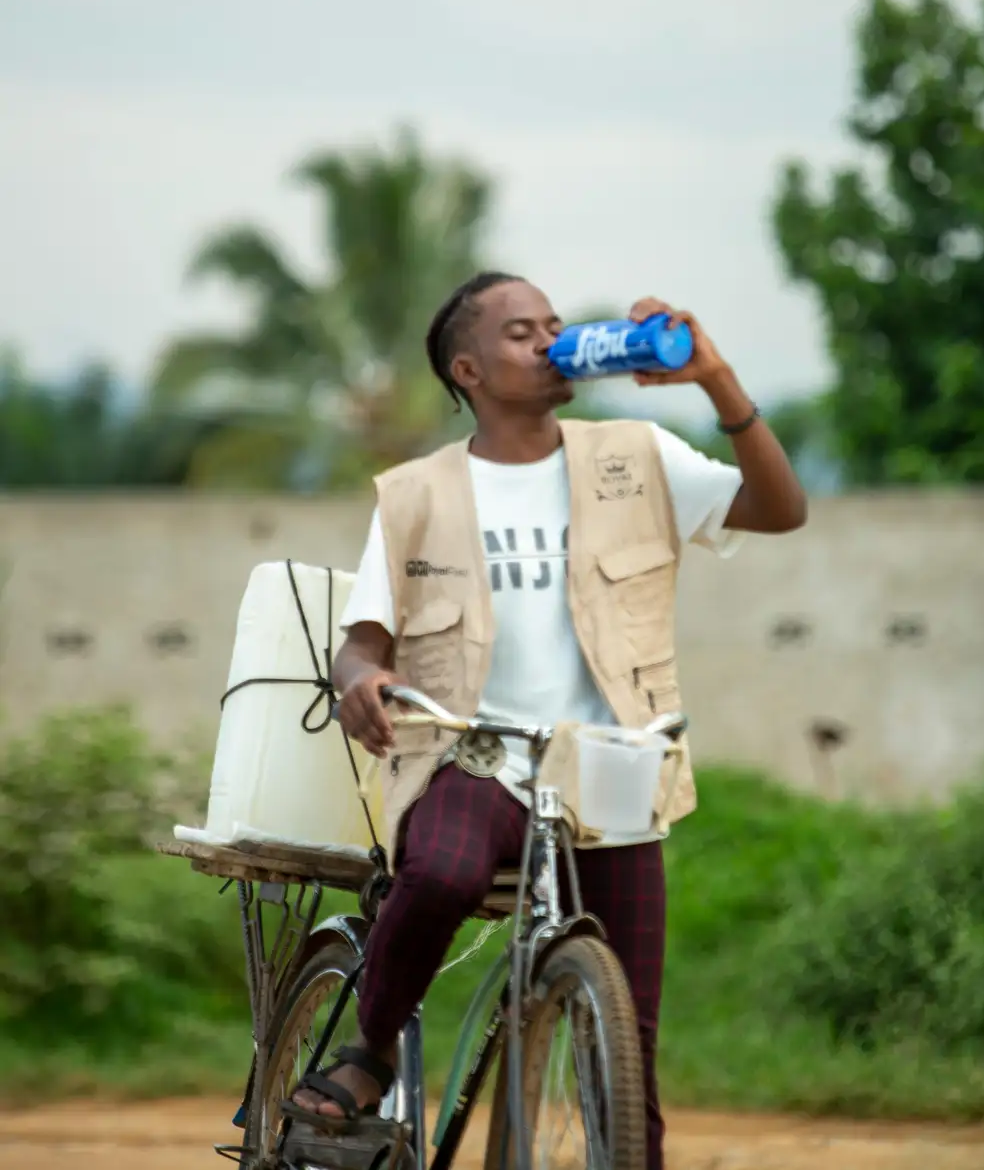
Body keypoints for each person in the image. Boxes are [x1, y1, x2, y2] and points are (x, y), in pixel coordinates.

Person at [286, 272, 807, 1168]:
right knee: (443, 872)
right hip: (473, 757)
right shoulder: (417, 492)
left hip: (613, 769)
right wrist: (363, 680)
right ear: (470, 368)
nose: (550, 340)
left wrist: (712, 376)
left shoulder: (637, 454)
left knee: (628, 1046)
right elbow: (362, 643)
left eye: (555, 326)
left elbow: (781, 510)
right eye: (521, 332)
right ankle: (371, 1046)